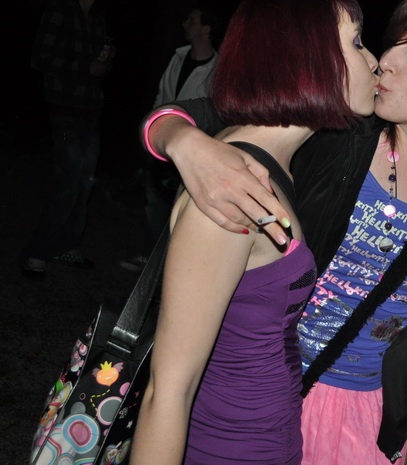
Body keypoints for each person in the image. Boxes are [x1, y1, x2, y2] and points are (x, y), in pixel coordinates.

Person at [141, 0, 407, 463]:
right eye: (394, 44)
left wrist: (405, 429)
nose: (386, 61)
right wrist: (182, 141)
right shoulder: (338, 134)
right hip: (272, 390)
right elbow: (191, 112)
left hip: (366, 413)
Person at [130, 0, 378, 464]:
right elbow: (168, 393)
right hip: (226, 446)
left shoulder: (275, 163)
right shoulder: (231, 189)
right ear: (305, 55)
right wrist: (175, 136)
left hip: (264, 438)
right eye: (357, 42)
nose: (374, 60)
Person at [119, 2, 224, 272]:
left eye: (193, 20)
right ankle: (150, 260)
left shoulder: (219, 70)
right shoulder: (178, 57)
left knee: (184, 209)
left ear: (207, 29)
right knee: (154, 202)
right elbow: (162, 97)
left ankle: (176, 267)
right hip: (162, 146)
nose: (185, 24)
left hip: (194, 155)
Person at [20, 0, 116, 280]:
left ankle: (67, 245)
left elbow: (99, 69)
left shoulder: (97, 19)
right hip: (65, 108)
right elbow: (40, 58)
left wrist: (106, 62)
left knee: (85, 184)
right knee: (69, 184)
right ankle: (36, 252)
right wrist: (86, 66)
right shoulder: (60, 10)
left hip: (91, 109)